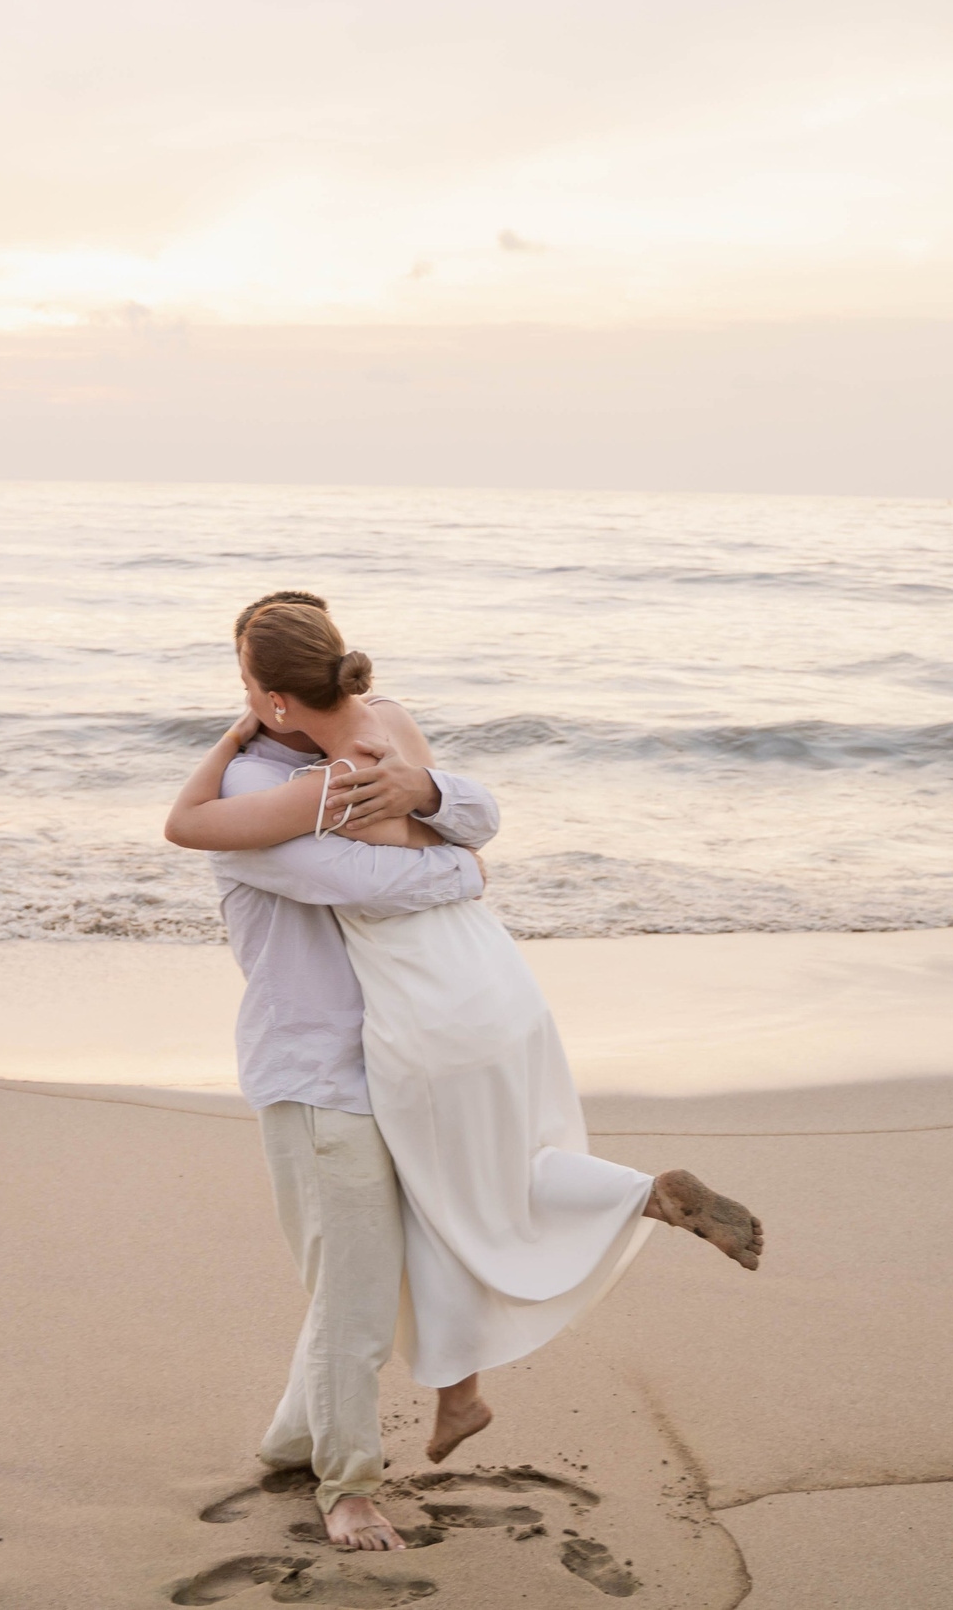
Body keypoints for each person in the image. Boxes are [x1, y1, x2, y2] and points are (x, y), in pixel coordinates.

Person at [165, 592, 764, 1555]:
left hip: (347, 1071)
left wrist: (437, 805)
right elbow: (398, 868)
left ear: (274, 694)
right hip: (384, 1056)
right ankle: (300, 1437)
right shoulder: (315, 770)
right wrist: (463, 858)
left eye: (243, 681)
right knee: (398, 1253)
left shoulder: (308, 776)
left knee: (354, 1287)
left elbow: (448, 821)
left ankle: (348, 1489)